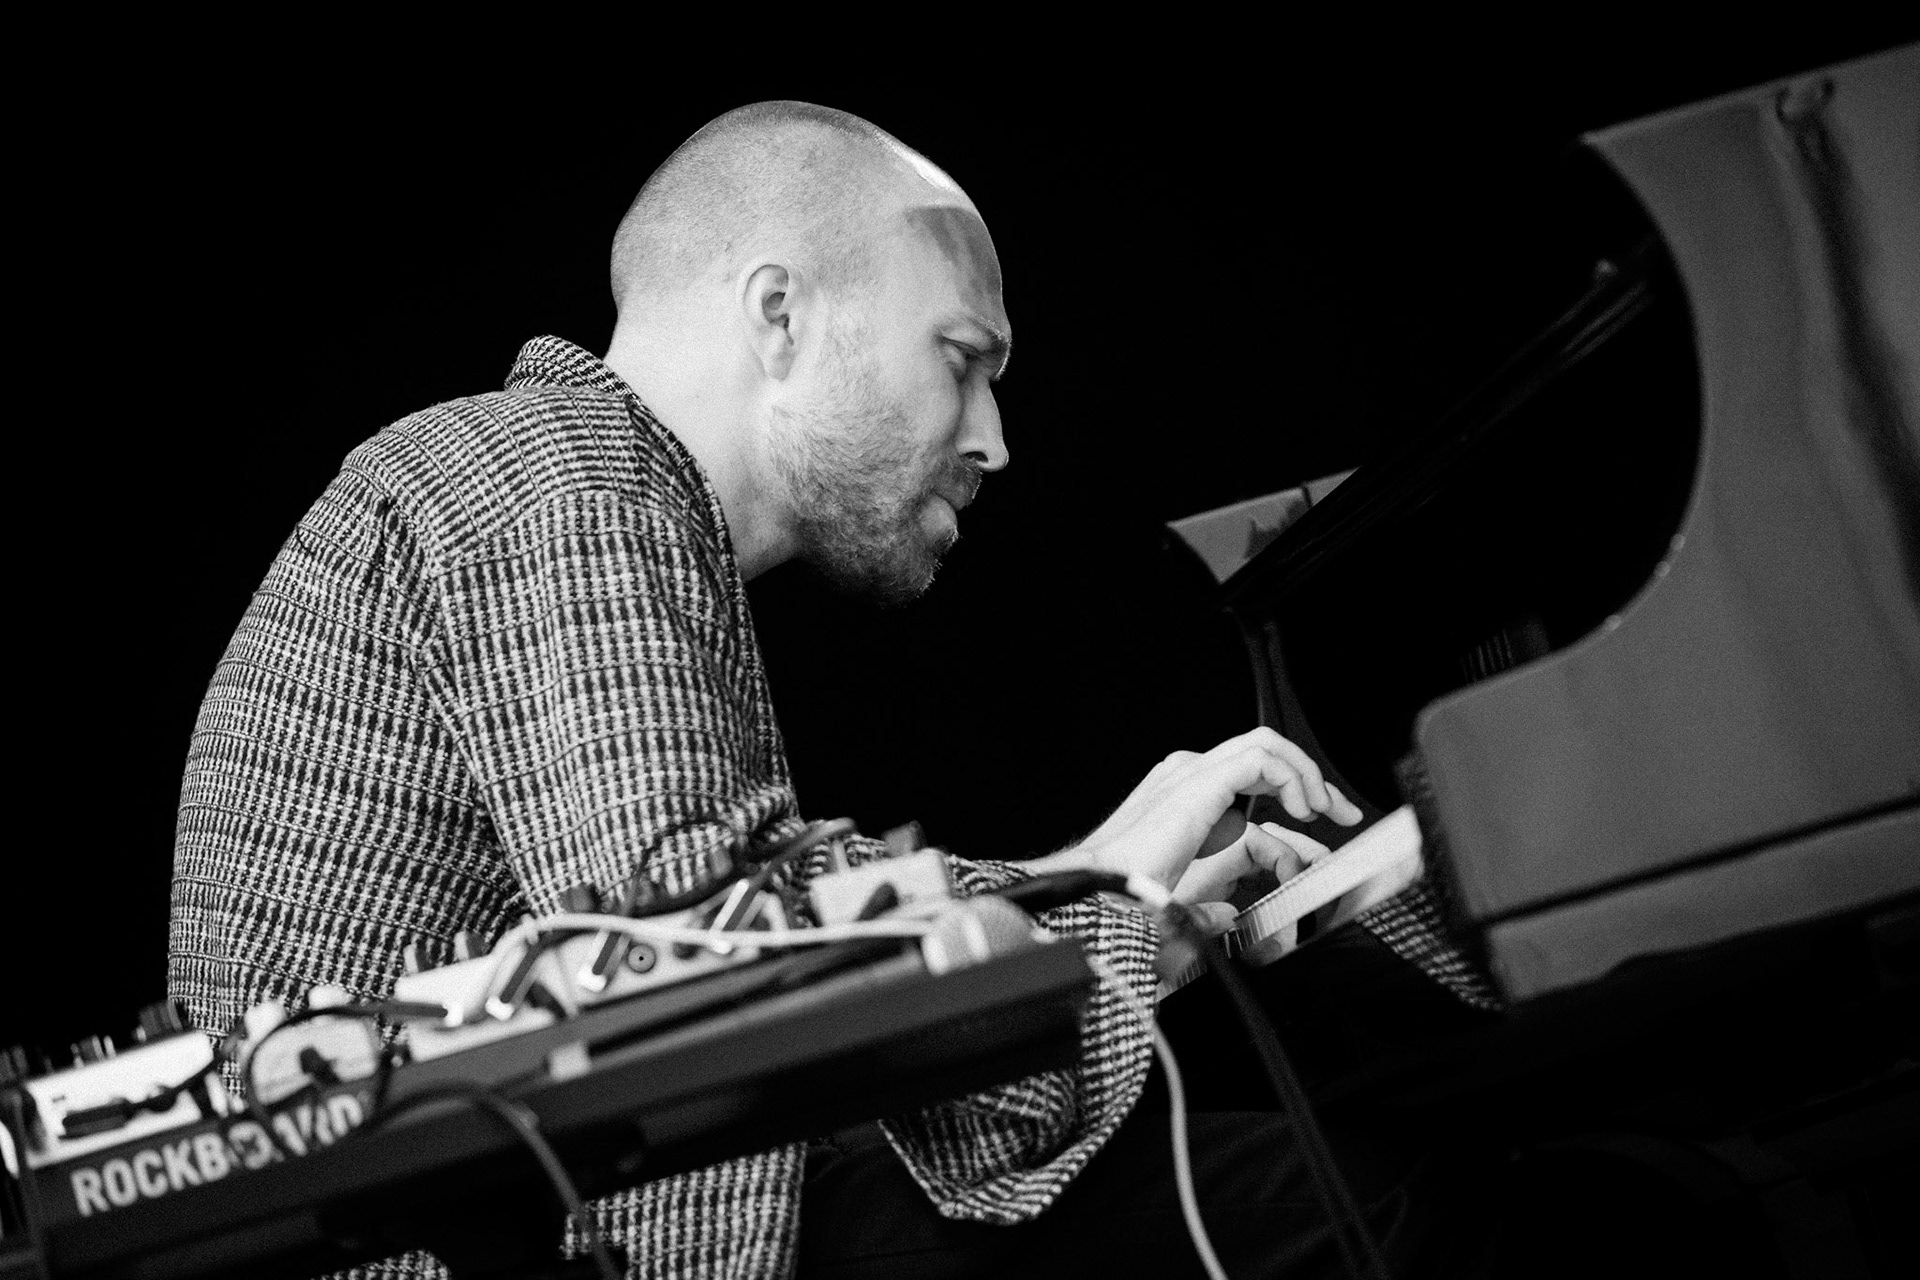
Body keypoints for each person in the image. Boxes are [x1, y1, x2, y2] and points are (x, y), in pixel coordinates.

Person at [170, 101, 1488, 1279]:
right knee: (1355, 1203)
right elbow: (705, 960)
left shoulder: (568, 488)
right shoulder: (559, 477)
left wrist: (1090, 893)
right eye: (962, 359)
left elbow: (718, 931)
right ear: (781, 314)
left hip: (576, 1207)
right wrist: (1099, 898)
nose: (994, 441)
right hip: (514, 1242)